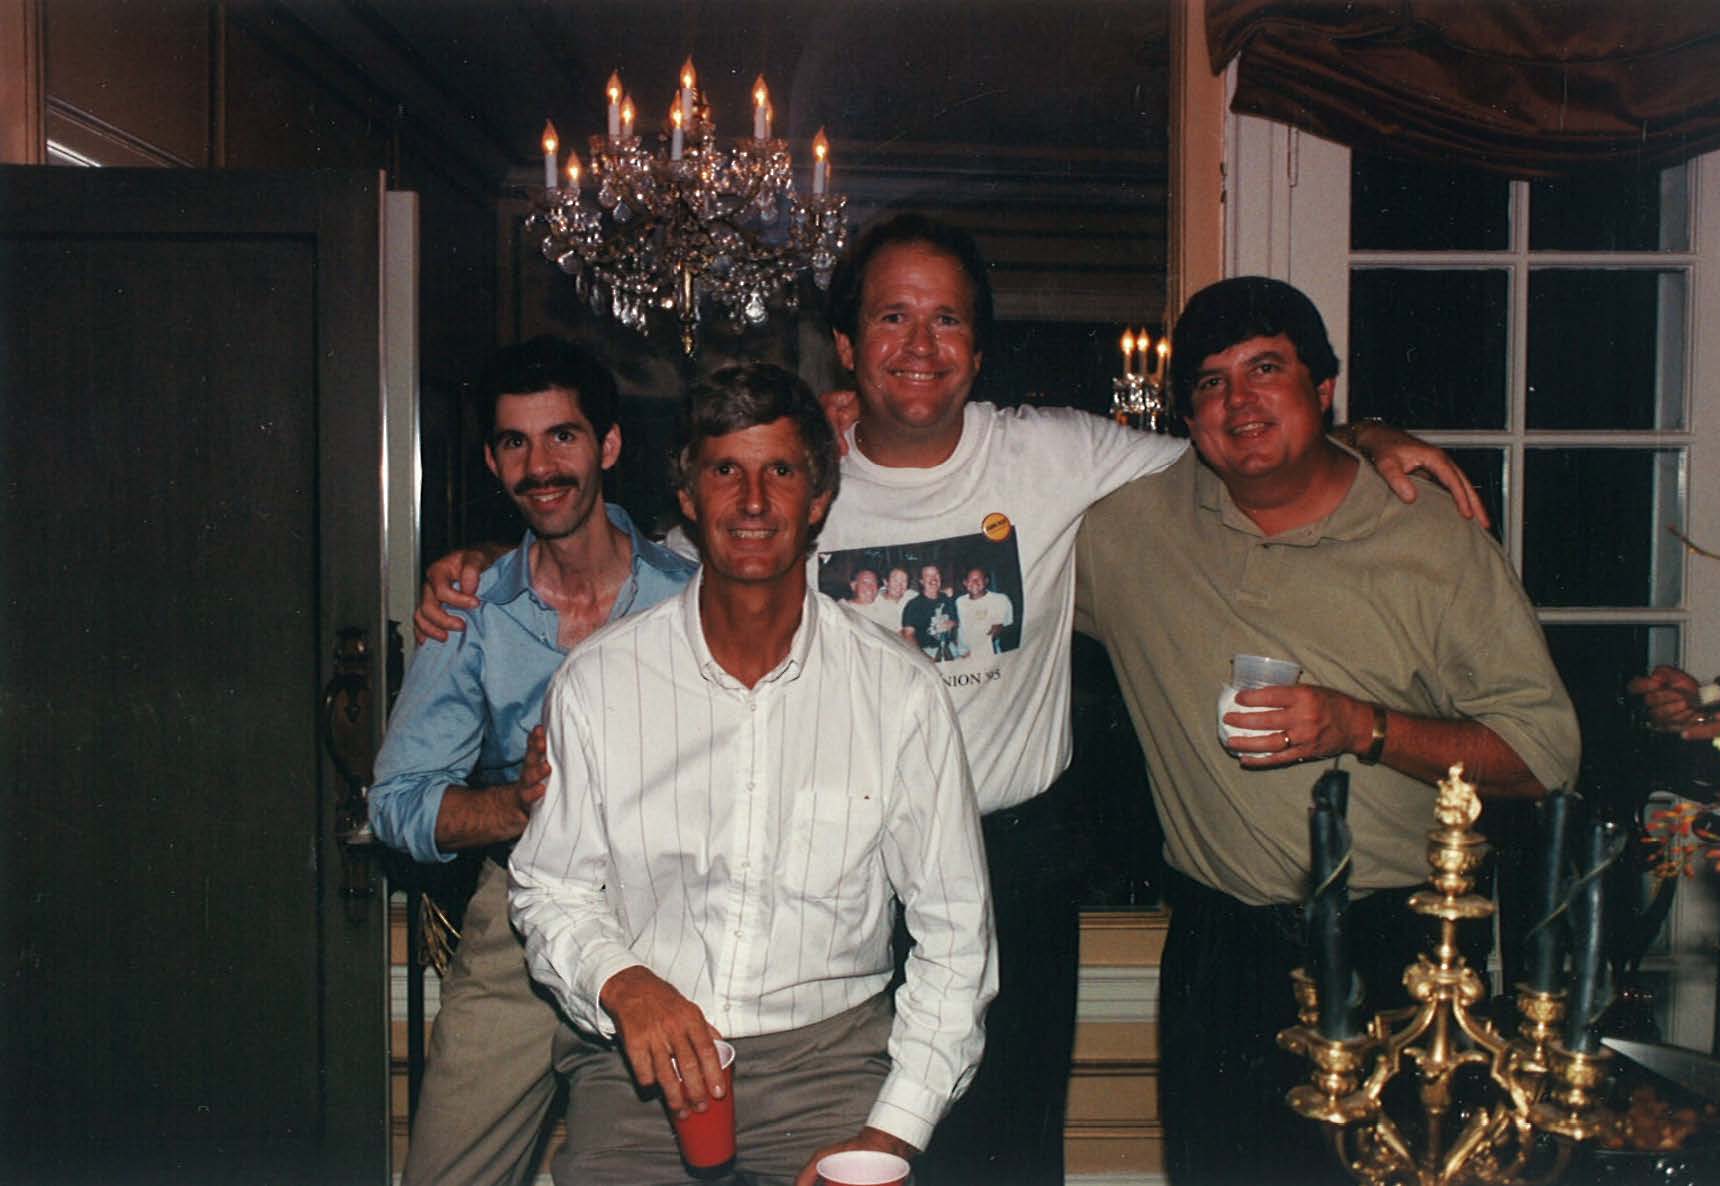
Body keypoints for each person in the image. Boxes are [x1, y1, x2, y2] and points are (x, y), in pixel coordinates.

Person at [418, 214, 1486, 1186]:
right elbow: (655, 565)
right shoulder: (792, 469)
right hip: (826, 869)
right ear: (847, 345)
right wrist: (491, 566)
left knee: (1002, 1158)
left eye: (947, 320)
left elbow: (1242, 448)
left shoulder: (1053, 453)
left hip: (1011, 862)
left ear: (978, 348)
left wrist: (1363, 434)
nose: (919, 344)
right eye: (892, 316)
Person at [1073, 276, 1582, 1186]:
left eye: (1266, 369)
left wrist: (1363, 726)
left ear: (1324, 390)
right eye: (1211, 383)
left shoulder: (1429, 538)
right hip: (1217, 952)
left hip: (1396, 948)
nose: (1239, 402)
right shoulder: (1128, 531)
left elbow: (1543, 756)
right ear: (1187, 417)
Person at [507, 363, 995, 1186]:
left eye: (781, 472)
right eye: (725, 471)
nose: (755, 501)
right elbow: (549, 889)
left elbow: (956, 934)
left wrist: (895, 1131)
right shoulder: (598, 682)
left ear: (819, 497)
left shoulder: (899, 693)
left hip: (829, 1071)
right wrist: (621, 981)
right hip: (640, 1074)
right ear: (688, 498)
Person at [370, 336, 695, 1186]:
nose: (540, 466)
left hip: (669, 921)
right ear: (492, 460)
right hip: (516, 918)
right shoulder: (471, 610)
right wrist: (516, 805)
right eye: (515, 442)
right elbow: (396, 801)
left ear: (608, 445)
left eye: (563, 436)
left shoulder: (690, 592)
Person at [901, 563, 961, 660]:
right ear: (921, 581)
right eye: (928, 575)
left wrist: (952, 623)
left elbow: (956, 622)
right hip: (927, 652)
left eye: (936, 574)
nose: (933, 578)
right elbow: (908, 636)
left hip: (950, 648)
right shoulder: (913, 605)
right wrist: (926, 658)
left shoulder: (947, 599)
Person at [955, 567, 1014, 659]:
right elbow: (959, 627)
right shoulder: (959, 602)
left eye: (979, 579)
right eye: (970, 580)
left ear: (986, 581)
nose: (975, 582)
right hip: (962, 655)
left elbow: (999, 627)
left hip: (988, 654)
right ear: (965, 583)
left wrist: (976, 652)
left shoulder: (1000, 599)